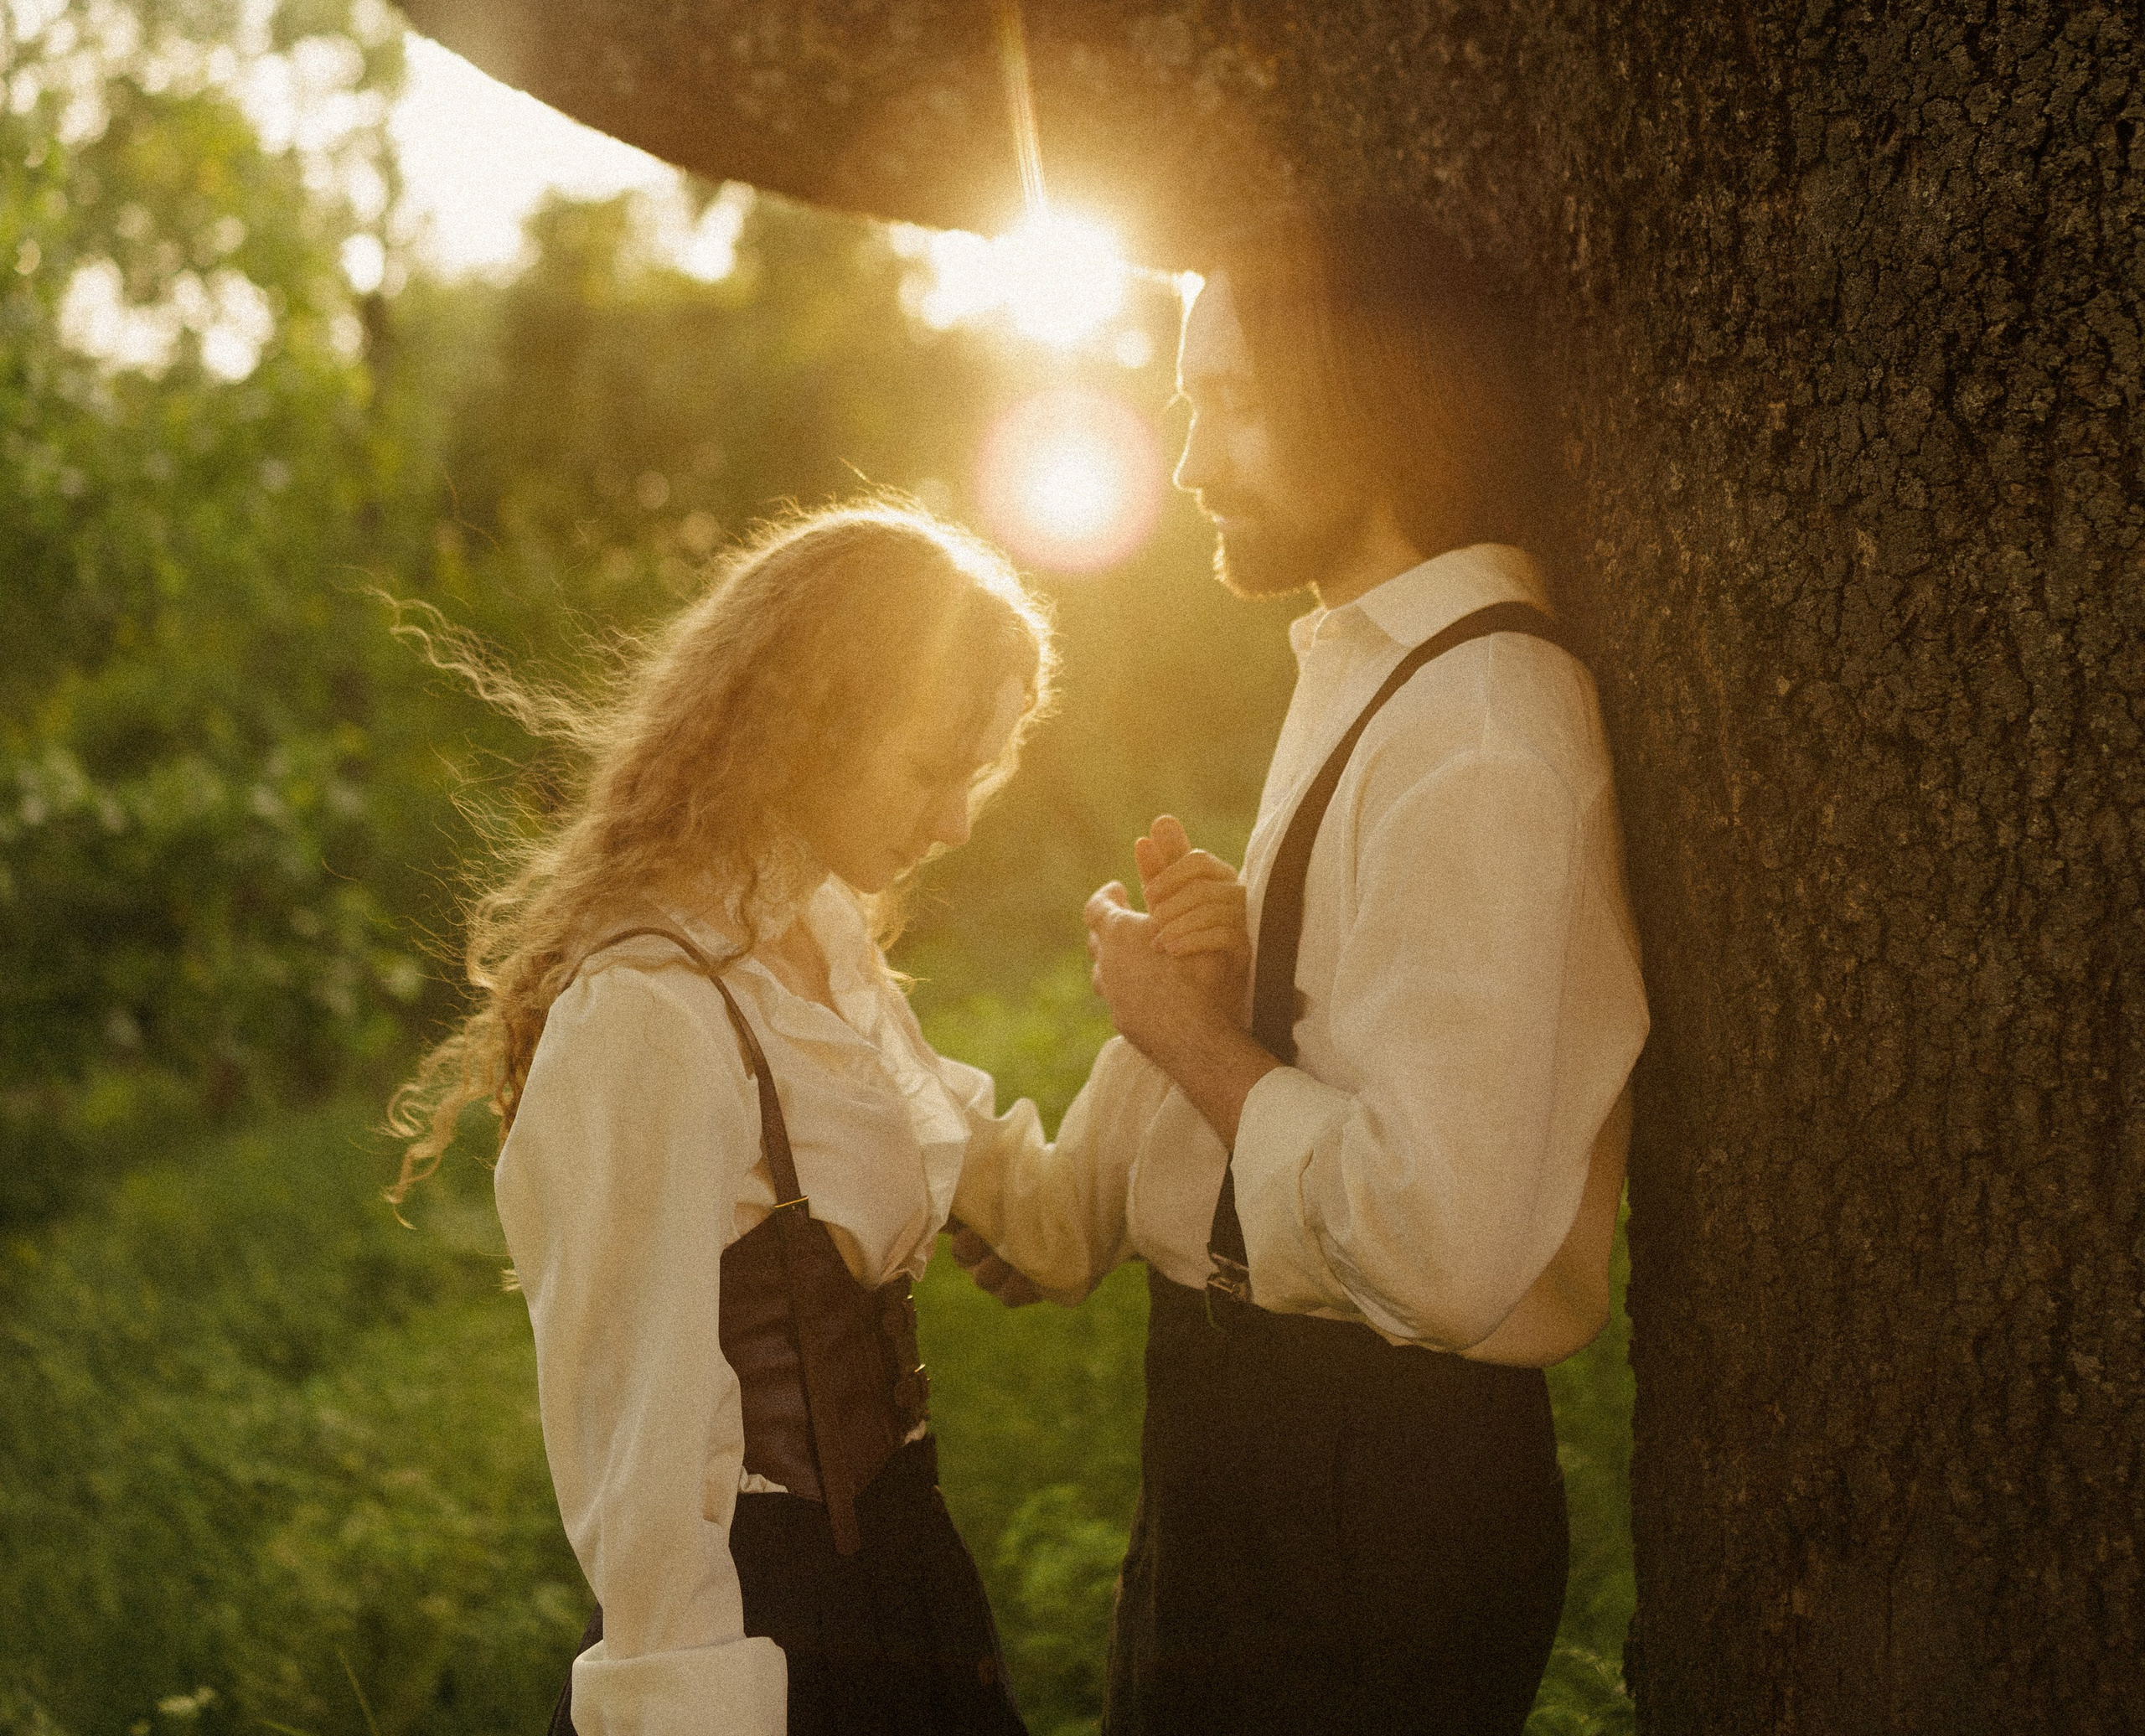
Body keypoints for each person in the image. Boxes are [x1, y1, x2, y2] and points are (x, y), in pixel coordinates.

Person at [950, 207, 1651, 1734]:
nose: (1190, 460)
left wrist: (1196, 1037)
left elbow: (1439, 1243)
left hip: (1361, 1498)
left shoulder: (1478, 731)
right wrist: (1255, 980)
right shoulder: (1380, 676)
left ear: (1373, 397)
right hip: (1252, 1453)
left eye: (1232, 402)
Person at [387, 501, 1070, 1736]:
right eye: (928, 769)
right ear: (803, 729)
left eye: (975, 775)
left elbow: (979, 1158)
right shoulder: (649, 1015)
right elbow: (640, 1463)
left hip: (908, 1587)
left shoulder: (814, 930)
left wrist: (1189, 1030)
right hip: (761, 1622)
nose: (958, 822)